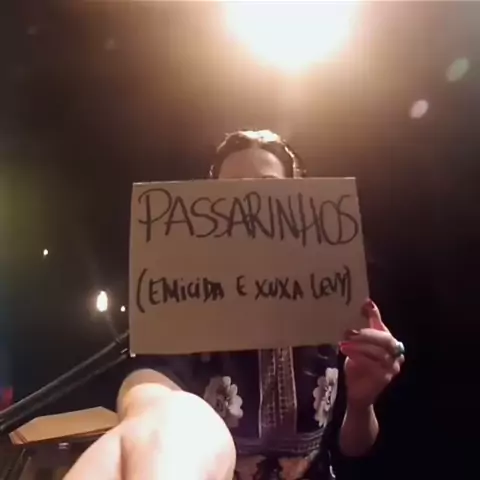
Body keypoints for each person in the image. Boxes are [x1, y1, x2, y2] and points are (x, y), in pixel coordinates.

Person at [66, 130, 405, 480]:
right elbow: (154, 386)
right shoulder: (185, 300)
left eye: (268, 187)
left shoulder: (332, 303)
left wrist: (362, 402)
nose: (250, 204)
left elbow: (354, 445)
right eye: (233, 190)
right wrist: (154, 415)